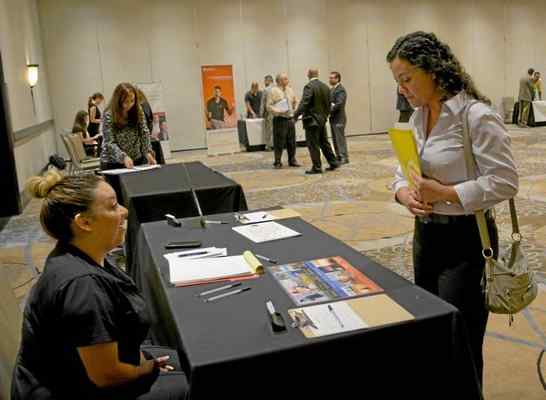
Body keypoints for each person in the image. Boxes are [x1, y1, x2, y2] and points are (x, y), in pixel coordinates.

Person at [387, 31, 518, 389]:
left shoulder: (475, 116)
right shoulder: (418, 118)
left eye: (406, 78)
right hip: (426, 237)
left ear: (432, 70)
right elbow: (402, 172)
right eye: (398, 81)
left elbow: (505, 181)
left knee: (462, 341)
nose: (401, 88)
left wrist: (446, 192)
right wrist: (404, 194)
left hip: (466, 242)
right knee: (432, 331)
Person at [11, 171, 188, 400]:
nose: (124, 211)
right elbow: (107, 375)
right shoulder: (83, 286)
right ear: (84, 222)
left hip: (82, 372)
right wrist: (147, 369)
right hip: (70, 390)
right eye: (113, 206)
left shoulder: (81, 254)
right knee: (197, 381)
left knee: (185, 360)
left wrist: (145, 363)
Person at [100, 83, 156, 170]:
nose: (129, 105)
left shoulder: (138, 110)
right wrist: (123, 157)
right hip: (112, 162)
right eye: (126, 101)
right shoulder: (109, 114)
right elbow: (109, 142)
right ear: (118, 101)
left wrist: (147, 152)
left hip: (136, 159)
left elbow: (144, 132)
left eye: (132, 101)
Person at [293, 68, 339, 174]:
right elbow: (329, 104)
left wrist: (295, 115)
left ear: (308, 74)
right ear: (317, 74)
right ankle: (333, 162)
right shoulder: (325, 87)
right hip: (322, 120)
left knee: (313, 145)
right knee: (324, 143)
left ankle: (317, 167)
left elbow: (304, 103)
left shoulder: (309, 86)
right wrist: (324, 116)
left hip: (311, 121)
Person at [266, 73, 300, 169]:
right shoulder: (273, 91)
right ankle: (277, 161)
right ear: (279, 81)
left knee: (292, 141)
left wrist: (295, 109)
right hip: (280, 119)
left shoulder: (290, 90)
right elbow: (268, 106)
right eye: (285, 79)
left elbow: (296, 100)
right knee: (279, 142)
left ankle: (292, 160)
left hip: (290, 119)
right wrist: (279, 111)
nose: (287, 80)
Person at [329, 71, 349, 164]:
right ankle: (338, 156)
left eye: (332, 78)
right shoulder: (332, 89)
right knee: (335, 139)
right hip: (333, 118)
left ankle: (344, 157)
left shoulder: (340, 90)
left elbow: (339, 103)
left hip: (339, 118)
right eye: (330, 78)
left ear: (337, 79)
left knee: (340, 139)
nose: (330, 80)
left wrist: (330, 108)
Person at [260, 75, 275, 150]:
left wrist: (261, 113)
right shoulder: (277, 88)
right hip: (278, 112)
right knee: (276, 129)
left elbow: (263, 103)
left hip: (269, 113)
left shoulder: (265, 90)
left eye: (265, 81)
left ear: (268, 81)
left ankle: (268, 146)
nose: (264, 82)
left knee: (269, 130)